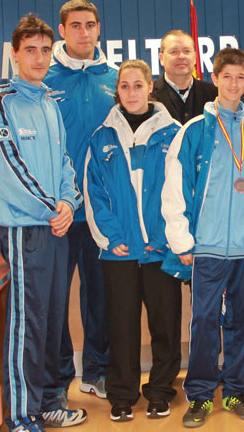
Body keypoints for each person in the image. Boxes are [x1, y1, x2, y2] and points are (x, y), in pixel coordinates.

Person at [0, 14, 87, 432]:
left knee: (53, 320)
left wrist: (68, 202)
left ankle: (48, 402)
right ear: (14, 54)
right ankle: (22, 416)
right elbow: (9, 167)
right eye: (30, 51)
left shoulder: (48, 102)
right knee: (28, 324)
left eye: (45, 50)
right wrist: (51, 209)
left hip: (56, 226)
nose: (39, 58)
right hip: (26, 231)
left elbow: (64, 163)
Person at [162, 48, 244, 428]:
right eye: (227, 77)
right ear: (215, 78)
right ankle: (201, 395)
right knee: (204, 322)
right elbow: (175, 186)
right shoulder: (194, 130)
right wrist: (181, 239)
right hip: (206, 246)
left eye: (241, 77)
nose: (234, 84)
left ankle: (237, 390)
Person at [83, 59, 182, 422]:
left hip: (160, 250)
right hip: (120, 251)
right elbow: (93, 192)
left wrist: (167, 237)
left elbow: (182, 190)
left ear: (150, 88)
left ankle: (160, 391)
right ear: (117, 91)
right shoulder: (102, 136)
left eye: (138, 85)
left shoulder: (174, 133)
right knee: (122, 326)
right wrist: (110, 238)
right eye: (124, 86)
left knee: (165, 325)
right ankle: (122, 393)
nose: (131, 92)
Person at [44, 0, 116, 403]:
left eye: (90, 25)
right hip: (58, 212)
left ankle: (97, 372)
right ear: (62, 30)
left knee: (100, 299)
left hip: (100, 211)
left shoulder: (115, 78)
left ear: (99, 28)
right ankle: (58, 381)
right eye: (75, 25)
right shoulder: (45, 78)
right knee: (55, 300)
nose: (84, 32)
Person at [153, 30, 218, 125]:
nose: (181, 56)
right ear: (161, 58)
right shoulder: (148, 96)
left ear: (195, 57)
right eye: (174, 52)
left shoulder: (215, 94)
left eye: (186, 51)